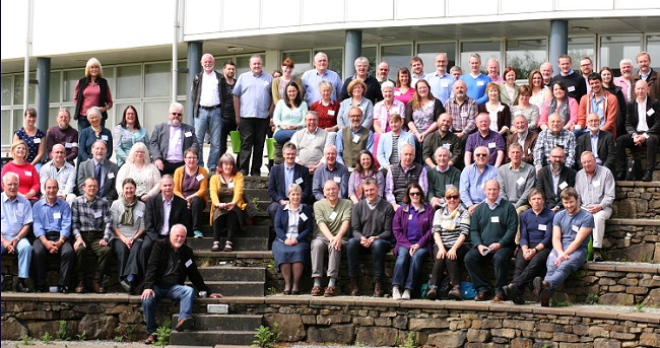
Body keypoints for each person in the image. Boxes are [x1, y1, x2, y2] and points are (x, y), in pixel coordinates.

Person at [140, 224, 222, 344]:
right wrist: (148, 287)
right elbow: (152, 266)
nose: (179, 239)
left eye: (182, 237)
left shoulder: (186, 252)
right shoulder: (160, 245)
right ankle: (152, 332)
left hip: (173, 287)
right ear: (170, 235)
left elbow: (193, 273)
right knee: (147, 300)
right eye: (177, 236)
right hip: (156, 286)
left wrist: (207, 292)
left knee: (188, 291)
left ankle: (183, 319)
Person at [533, 188, 594, 307]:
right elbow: (555, 238)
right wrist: (560, 253)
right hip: (559, 248)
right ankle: (545, 295)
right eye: (565, 203)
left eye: (571, 202)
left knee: (564, 265)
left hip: (578, 250)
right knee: (551, 265)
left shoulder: (587, 217)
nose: (568, 205)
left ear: (577, 200)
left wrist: (564, 255)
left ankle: (545, 285)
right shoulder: (559, 215)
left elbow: (578, 241)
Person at [464, 180, 517, 301]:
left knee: (499, 258)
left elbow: (512, 229)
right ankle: (483, 288)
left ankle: (500, 290)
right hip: (484, 246)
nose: (492, 192)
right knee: (469, 258)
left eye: (494, 189)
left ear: (499, 190)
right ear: (484, 191)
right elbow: (474, 230)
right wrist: (478, 245)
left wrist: (500, 244)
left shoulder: (508, 207)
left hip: (504, 246)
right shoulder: (479, 209)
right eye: (489, 189)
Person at [502, 188, 554, 304]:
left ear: (543, 200)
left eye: (539, 199)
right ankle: (517, 295)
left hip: (543, 247)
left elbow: (548, 238)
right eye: (534, 199)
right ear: (529, 202)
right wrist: (525, 249)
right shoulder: (525, 215)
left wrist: (534, 250)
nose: (536, 201)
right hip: (527, 245)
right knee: (519, 263)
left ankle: (514, 287)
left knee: (534, 263)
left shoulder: (550, 215)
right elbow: (523, 236)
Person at [346, 178, 394, 297]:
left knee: (378, 245)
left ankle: (379, 284)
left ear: (378, 189)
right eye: (366, 191)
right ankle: (354, 283)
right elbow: (355, 229)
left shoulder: (387, 207)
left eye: (372, 190)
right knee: (351, 243)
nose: (369, 193)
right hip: (363, 241)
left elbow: (388, 232)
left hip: (380, 241)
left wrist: (376, 237)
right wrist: (361, 238)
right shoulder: (358, 207)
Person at [141, 175, 192, 276]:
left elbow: (185, 225)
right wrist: (158, 241)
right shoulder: (152, 202)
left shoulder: (181, 203)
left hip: (173, 237)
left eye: (169, 185)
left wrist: (172, 239)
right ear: (160, 187)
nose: (167, 188)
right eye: (165, 185)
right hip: (155, 235)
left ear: (173, 186)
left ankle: (178, 276)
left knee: (186, 251)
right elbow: (148, 225)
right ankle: (144, 277)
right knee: (145, 248)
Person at [426, 185, 470, 300]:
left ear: (459, 198)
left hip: (458, 244)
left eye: (455, 197)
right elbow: (436, 232)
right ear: (445, 198)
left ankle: (456, 288)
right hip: (442, 243)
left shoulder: (464, 212)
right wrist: (441, 248)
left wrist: (454, 248)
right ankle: (433, 288)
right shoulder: (439, 212)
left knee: (451, 257)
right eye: (449, 197)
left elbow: (464, 233)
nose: (452, 200)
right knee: (441, 256)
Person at [391, 183, 434, 300]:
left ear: (421, 194)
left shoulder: (429, 210)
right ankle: (396, 287)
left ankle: (408, 289)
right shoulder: (401, 210)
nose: (415, 196)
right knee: (402, 257)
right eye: (412, 194)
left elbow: (431, 230)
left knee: (416, 257)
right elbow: (396, 230)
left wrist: (418, 244)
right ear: (408, 195)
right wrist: (409, 246)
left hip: (422, 245)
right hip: (404, 244)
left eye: (417, 193)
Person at [233, 55, 274, 176]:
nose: (257, 66)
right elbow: (236, 96)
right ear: (250, 65)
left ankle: (256, 171)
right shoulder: (243, 77)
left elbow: (274, 97)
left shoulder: (269, 78)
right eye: (254, 64)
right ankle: (243, 170)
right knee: (246, 144)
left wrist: (270, 112)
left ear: (262, 65)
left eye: (259, 64)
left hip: (263, 118)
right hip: (246, 117)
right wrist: (237, 114)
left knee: (259, 145)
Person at [310, 180, 352, 297]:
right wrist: (332, 238)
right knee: (316, 244)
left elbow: (346, 222)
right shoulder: (318, 205)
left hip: (341, 236)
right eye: (328, 190)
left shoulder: (347, 203)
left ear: (338, 190)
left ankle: (331, 284)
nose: (331, 192)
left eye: (333, 189)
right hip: (323, 237)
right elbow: (321, 223)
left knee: (334, 245)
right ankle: (317, 283)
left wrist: (337, 237)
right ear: (324, 192)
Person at [32, 178, 74, 294]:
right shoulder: (37, 206)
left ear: (58, 189)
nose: (51, 190)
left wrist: (60, 242)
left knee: (68, 252)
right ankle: (40, 285)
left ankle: (63, 285)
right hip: (43, 237)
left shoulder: (64, 205)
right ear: (44, 189)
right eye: (49, 188)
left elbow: (66, 224)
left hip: (60, 237)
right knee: (37, 251)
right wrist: (46, 242)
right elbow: (37, 225)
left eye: (54, 187)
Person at [71, 177, 112, 293]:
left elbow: (108, 222)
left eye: (94, 186)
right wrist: (78, 238)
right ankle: (81, 281)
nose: (92, 188)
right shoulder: (77, 202)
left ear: (98, 188)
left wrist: (105, 238)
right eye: (89, 186)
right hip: (82, 236)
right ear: (83, 188)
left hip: (97, 237)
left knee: (106, 251)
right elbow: (74, 223)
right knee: (79, 250)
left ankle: (96, 281)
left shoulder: (103, 203)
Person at [616, 80, 660, 182]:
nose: (640, 91)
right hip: (636, 133)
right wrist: (634, 135)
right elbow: (627, 123)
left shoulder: (655, 103)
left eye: (643, 88)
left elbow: (658, 123)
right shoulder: (631, 104)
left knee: (652, 140)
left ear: (647, 89)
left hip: (650, 133)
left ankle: (649, 172)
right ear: (635, 90)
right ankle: (621, 171)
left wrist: (645, 135)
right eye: (638, 89)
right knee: (620, 140)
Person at [575, 151, 615, 262]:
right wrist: (577, 208)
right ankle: (578, 251)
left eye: (589, 161)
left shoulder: (606, 173)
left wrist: (600, 206)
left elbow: (610, 196)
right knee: (575, 217)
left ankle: (597, 250)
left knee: (597, 218)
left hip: (603, 207)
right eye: (584, 162)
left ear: (595, 161)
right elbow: (577, 196)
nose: (587, 164)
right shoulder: (579, 175)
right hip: (585, 207)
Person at [272, 184, 312, 295]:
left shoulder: (306, 209)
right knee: (284, 251)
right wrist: (285, 239)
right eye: (293, 194)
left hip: (300, 240)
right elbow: (277, 227)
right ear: (288, 195)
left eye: (298, 194)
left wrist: (297, 239)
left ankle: (296, 284)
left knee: (298, 252)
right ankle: (287, 284)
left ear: (301, 195)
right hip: (282, 240)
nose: (295, 197)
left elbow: (308, 228)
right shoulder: (281, 209)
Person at [109, 178, 146, 292]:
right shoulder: (116, 204)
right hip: (118, 237)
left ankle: (130, 276)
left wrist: (133, 238)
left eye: (131, 188)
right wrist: (125, 240)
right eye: (127, 188)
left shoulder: (141, 206)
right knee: (123, 250)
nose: (129, 190)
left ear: (135, 189)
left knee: (136, 249)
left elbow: (142, 227)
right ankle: (122, 279)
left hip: (136, 237)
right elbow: (113, 226)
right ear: (123, 190)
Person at [1, 172, 33, 293]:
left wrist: (17, 238)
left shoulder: (24, 202)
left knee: (26, 247)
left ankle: (21, 281)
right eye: (10, 184)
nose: (13, 187)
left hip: (18, 237)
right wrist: (4, 241)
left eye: (15, 184)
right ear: (3, 185)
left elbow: (27, 225)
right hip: (2, 236)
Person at [190, 53, 223, 172]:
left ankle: (212, 167)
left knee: (216, 141)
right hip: (201, 111)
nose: (208, 64)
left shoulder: (220, 77)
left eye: (210, 62)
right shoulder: (197, 77)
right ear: (201, 63)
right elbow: (193, 95)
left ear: (213, 63)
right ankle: (199, 167)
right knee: (198, 141)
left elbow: (223, 95)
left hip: (216, 111)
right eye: (206, 62)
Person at [210, 154, 247, 252]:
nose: (228, 167)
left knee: (232, 213)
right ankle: (216, 241)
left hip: (235, 203)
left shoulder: (239, 176)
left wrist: (233, 203)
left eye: (230, 164)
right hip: (220, 204)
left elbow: (239, 191)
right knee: (218, 212)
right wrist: (218, 204)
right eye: (225, 164)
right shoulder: (214, 178)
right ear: (221, 165)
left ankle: (229, 242)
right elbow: (213, 192)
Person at [148, 102, 199, 176]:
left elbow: (195, 144)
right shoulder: (159, 128)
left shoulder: (189, 129)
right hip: (163, 162)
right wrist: (157, 159)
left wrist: (190, 158)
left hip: (183, 164)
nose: (176, 116)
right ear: (169, 115)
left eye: (179, 114)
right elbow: (153, 143)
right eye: (174, 114)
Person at [268, 143, 312, 218]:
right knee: (273, 209)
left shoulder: (303, 170)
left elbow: (307, 190)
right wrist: (281, 201)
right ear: (283, 154)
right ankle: (280, 229)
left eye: (293, 154)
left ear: (296, 155)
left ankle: (298, 229)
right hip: (281, 201)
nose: (290, 156)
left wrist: (296, 201)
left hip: (298, 200)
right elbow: (271, 190)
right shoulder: (275, 170)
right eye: (288, 154)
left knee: (305, 210)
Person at [173, 148, 209, 239]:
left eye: (194, 157)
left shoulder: (202, 171)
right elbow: (175, 190)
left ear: (197, 159)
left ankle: (197, 229)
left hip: (197, 199)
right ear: (184, 159)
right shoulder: (179, 171)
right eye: (189, 157)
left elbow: (203, 190)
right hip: (182, 198)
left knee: (196, 201)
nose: (192, 160)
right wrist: (184, 200)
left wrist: (189, 199)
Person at [405, 79, 445, 154]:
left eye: (424, 87)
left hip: (431, 132)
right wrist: (417, 133)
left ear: (428, 88)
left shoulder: (436, 102)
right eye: (420, 88)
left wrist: (425, 133)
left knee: (428, 142)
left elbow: (438, 120)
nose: (422, 89)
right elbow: (408, 120)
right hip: (414, 132)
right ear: (416, 90)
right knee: (410, 140)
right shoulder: (411, 103)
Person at [73, 57, 113, 131]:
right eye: (92, 67)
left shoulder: (103, 83)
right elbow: (75, 98)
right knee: (84, 139)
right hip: (83, 117)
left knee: (98, 139)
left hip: (98, 117)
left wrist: (104, 109)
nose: (94, 69)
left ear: (99, 69)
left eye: (96, 67)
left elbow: (110, 102)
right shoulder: (81, 82)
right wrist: (81, 109)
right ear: (88, 69)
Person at [385, 144, 428, 211]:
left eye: (410, 154)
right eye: (406, 154)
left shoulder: (421, 169)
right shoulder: (392, 170)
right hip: (398, 203)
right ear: (401, 155)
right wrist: (394, 205)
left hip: (416, 202)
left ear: (414, 156)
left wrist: (415, 203)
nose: (408, 157)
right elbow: (389, 191)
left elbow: (423, 191)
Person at [576, 72, 619, 138]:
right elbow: (582, 119)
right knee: (575, 133)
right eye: (592, 84)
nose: (594, 85)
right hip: (587, 131)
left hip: (604, 131)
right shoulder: (584, 99)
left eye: (596, 82)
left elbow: (610, 122)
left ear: (601, 82)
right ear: (589, 85)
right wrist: (577, 127)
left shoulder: (611, 98)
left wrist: (597, 133)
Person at [459, 146, 498, 215]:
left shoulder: (495, 171)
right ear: (474, 157)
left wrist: (479, 206)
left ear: (488, 157)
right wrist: (470, 206)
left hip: (489, 206)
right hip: (468, 206)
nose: (481, 156)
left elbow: (495, 192)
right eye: (478, 155)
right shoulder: (467, 171)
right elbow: (463, 191)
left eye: (484, 155)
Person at [536, 147, 576, 211]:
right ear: (550, 157)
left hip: (564, 208)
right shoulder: (542, 172)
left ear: (564, 158)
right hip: (545, 208)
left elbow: (570, 193)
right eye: (555, 156)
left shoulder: (570, 173)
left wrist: (557, 207)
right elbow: (540, 192)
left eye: (560, 157)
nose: (557, 159)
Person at [600, 67, 628, 138]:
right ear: (600, 76)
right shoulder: (598, 91)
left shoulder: (617, 90)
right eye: (604, 75)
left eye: (608, 74)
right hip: (602, 121)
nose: (606, 76)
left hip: (617, 122)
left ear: (611, 76)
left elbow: (623, 108)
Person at [220, 60, 238, 157]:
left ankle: (239, 167)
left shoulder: (237, 83)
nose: (231, 71)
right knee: (221, 146)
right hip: (222, 118)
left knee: (238, 145)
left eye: (233, 69)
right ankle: (219, 167)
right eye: (229, 69)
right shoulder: (219, 83)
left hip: (235, 119)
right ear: (224, 70)